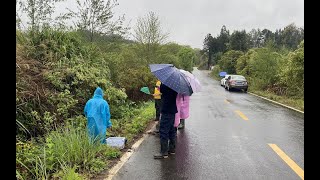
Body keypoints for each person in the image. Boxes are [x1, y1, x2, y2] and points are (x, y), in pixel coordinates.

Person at [154, 83, 177, 159]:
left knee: (163, 131)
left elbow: (162, 90)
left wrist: (161, 84)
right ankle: (172, 149)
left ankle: (164, 152)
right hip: (173, 110)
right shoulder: (176, 85)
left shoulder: (165, 84)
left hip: (166, 110)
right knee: (172, 130)